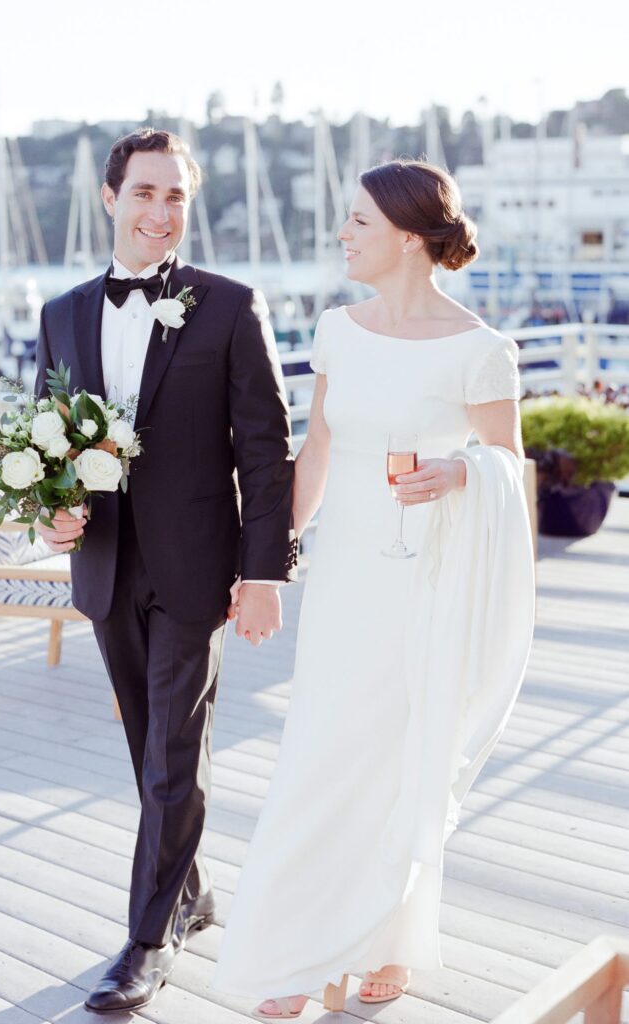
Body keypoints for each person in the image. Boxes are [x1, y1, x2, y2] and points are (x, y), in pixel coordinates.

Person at [215, 159, 535, 1017]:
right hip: (347, 576)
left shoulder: (482, 349)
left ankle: (387, 936)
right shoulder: (337, 329)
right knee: (320, 754)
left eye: (357, 222)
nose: (342, 236)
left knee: (402, 756)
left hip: (426, 580)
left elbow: (510, 466)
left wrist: (461, 472)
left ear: (405, 234)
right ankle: (292, 954)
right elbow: (315, 452)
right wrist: (267, 566)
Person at [34, 128, 297, 1015]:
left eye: (175, 197)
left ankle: (147, 941)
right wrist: (55, 511)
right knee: (147, 743)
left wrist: (265, 573)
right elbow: (49, 446)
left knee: (174, 753)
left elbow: (267, 454)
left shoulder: (229, 305)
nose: (160, 213)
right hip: (105, 567)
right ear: (111, 198)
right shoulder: (62, 313)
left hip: (196, 566)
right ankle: (193, 887)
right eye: (145, 194)